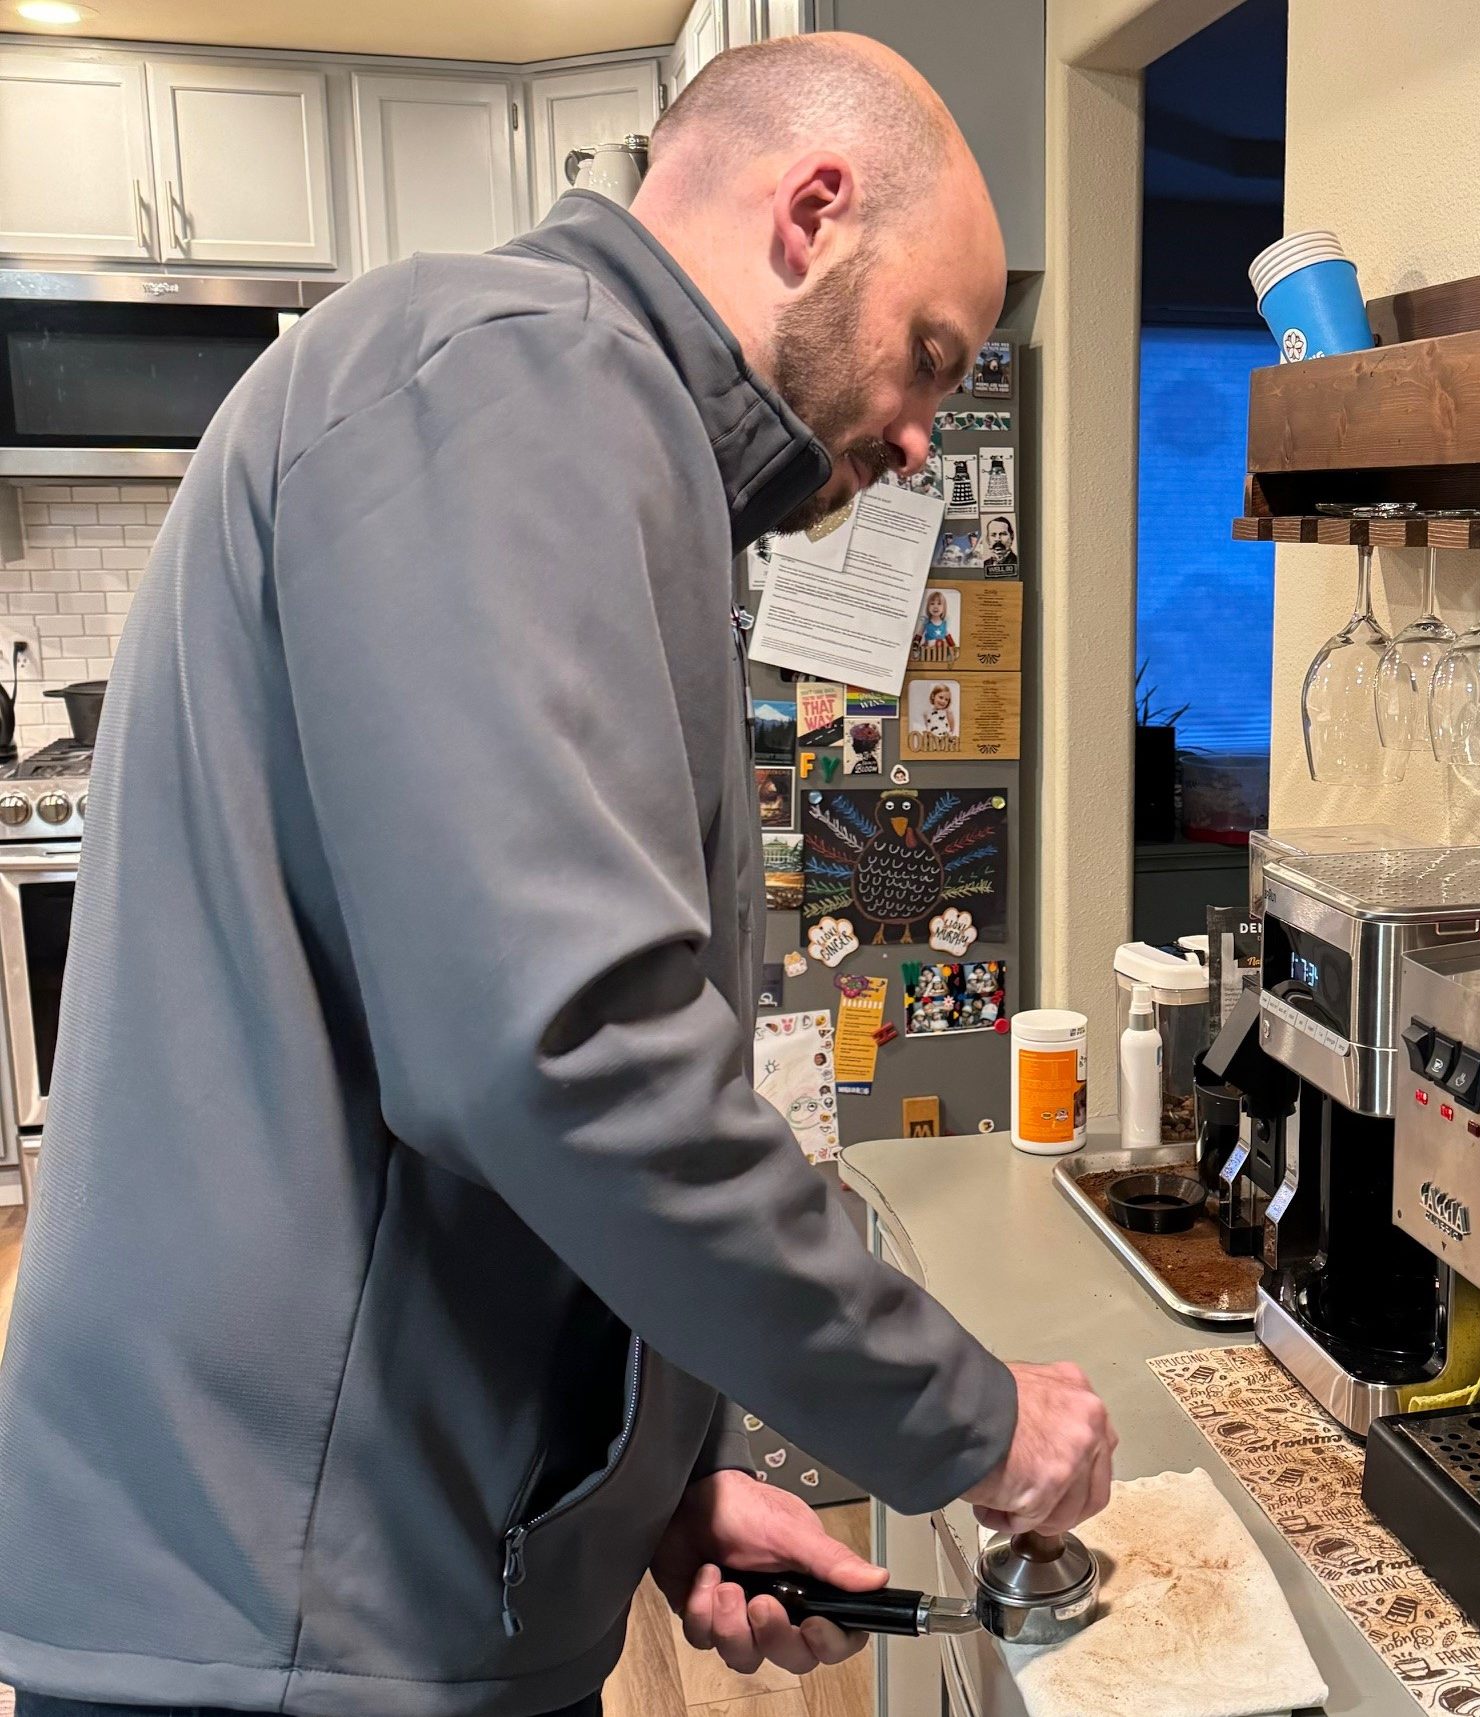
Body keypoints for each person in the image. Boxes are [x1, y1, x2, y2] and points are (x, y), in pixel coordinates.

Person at [0, 31, 1115, 1717]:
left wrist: (657, 1494)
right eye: (927, 355)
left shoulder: (574, 415)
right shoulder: (523, 373)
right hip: (293, 1617)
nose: (914, 442)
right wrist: (972, 1415)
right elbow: (565, 1051)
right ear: (810, 212)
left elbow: (461, 1082)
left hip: (364, 1579)